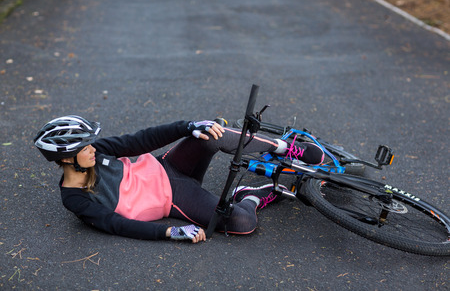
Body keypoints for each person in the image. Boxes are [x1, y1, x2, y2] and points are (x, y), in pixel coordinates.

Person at [34, 116, 324, 243]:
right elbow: (115, 225)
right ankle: (251, 195)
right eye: (84, 148)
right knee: (243, 224)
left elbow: (140, 141)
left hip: (167, 166)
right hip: (174, 197)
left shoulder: (97, 152)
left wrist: (188, 127)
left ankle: (287, 148)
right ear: (65, 159)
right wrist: (170, 233)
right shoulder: (74, 198)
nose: (92, 149)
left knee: (212, 131)